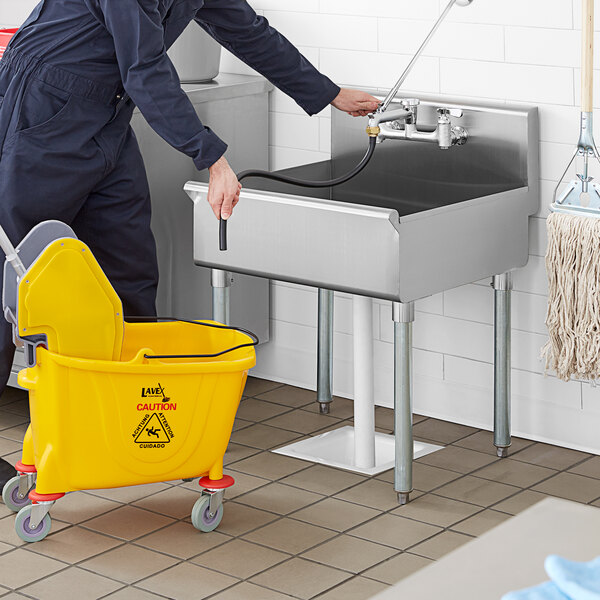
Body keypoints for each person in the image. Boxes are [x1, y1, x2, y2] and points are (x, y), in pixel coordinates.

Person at [0, 0, 380, 488]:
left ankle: (127, 428)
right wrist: (212, 157)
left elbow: (249, 33)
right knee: (14, 276)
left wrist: (329, 94)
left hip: (108, 118)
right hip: (44, 107)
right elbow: (145, 66)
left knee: (130, 268)